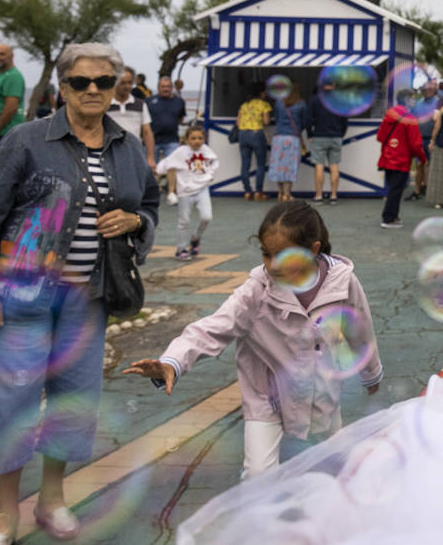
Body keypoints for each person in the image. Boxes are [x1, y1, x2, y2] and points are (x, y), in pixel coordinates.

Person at [0, 42, 158, 545]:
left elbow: (149, 205)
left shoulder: (127, 149)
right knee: (9, 404)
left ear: (115, 88)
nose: (93, 90)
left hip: (90, 298)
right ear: (62, 87)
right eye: (81, 82)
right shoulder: (25, 140)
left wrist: (135, 221)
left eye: (103, 82)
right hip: (20, 297)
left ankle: (51, 500)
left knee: (75, 402)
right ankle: (5, 515)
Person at [123, 201, 381, 479]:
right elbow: (211, 328)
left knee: (332, 461)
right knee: (259, 473)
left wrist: (371, 373)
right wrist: (172, 362)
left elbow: (360, 328)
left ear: (313, 250)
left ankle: (327, 517)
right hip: (265, 397)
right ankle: (261, 518)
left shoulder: (342, 282)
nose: (271, 266)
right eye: (266, 254)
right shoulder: (256, 292)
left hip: (322, 390)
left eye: (282, 256)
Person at [157, 124, 219, 260]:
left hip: (202, 189)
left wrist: (210, 175)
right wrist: (171, 191)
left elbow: (214, 163)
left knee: (206, 217)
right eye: (193, 138)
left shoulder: (207, 151)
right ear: (186, 140)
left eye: (200, 138)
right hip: (185, 191)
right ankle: (181, 249)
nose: (197, 141)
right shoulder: (181, 152)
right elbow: (167, 166)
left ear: (204, 139)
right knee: (184, 221)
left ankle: (196, 238)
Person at [376, 91, 427, 228]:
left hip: (387, 158)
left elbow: (380, 137)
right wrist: (423, 158)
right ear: (406, 100)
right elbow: (416, 144)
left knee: (393, 189)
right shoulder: (409, 118)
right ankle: (389, 218)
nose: (414, 101)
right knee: (396, 190)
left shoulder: (389, 115)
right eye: (412, 98)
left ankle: (393, 216)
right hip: (402, 160)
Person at [308, 87, 349, 206]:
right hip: (335, 136)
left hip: (319, 136)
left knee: (319, 166)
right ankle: (333, 196)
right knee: (334, 166)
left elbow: (308, 119)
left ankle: (319, 196)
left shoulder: (314, 100)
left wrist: (310, 133)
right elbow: (345, 121)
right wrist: (341, 134)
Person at [268, 86, 309, 202]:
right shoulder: (302, 104)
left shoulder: (279, 103)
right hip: (293, 139)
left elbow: (276, 118)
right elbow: (305, 121)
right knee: (289, 167)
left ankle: (280, 193)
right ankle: (287, 194)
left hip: (278, 138)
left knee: (278, 165)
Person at [107, 66, 155, 163]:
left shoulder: (140, 105)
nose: (127, 86)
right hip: (110, 154)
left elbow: (147, 132)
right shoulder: (105, 105)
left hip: (135, 153)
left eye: (130, 83)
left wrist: (150, 157)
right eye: (123, 83)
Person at [237, 84, 272, 201]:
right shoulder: (264, 104)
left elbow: (238, 122)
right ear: (261, 93)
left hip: (243, 134)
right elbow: (266, 121)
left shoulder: (244, 105)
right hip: (256, 134)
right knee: (260, 164)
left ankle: (247, 191)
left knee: (245, 164)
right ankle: (258, 192)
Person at [408, 79, 442, 201]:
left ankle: (430, 190)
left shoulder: (439, 103)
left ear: (434, 90)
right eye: (425, 89)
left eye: (429, 89)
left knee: (432, 166)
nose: (427, 91)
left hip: (434, 140)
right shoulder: (418, 103)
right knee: (419, 165)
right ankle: (417, 191)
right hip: (420, 139)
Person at [147, 74, 188, 166]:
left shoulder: (179, 102)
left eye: (168, 86)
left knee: (173, 167)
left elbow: (181, 119)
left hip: (172, 141)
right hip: (152, 141)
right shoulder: (149, 101)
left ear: (172, 87)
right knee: (150, 169)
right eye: (163, 86)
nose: (166, 89)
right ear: (158, 88)